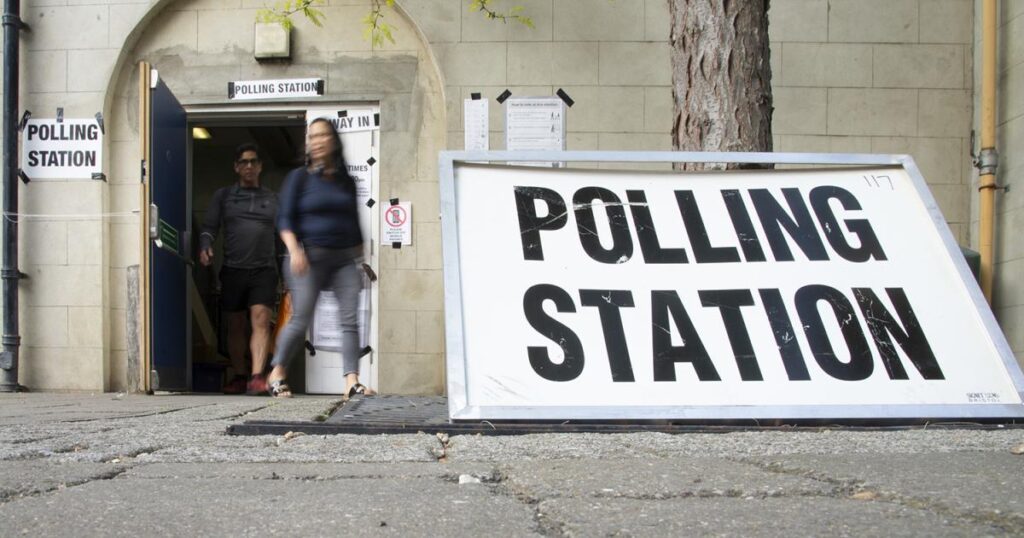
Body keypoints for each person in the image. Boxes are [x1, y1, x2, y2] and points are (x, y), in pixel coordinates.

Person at [266, 118, 376, 399]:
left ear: (333, 140)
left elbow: (354, 223)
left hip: (343, 260)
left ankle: (351, 381)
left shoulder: (345, 181)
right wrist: (295, 250)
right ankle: (277, 372)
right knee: (301, 317)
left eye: (322, 135)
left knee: (350, 319)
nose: (316, 141)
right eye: (312, 136)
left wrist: (360, 259)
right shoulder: (299, 178)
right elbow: (285, 219)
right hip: (307, 257)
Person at [199, 143, 279, 395]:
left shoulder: (272, 199)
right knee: (235, 325)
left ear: (260, 166)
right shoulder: (223, 196)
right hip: (233, 269)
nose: (249, 166)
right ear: (236, 167)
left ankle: (256, 377)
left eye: (254, 161)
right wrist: (205, 246)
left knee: (261, 320)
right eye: (244, 162)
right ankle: (240, 375)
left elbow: (282, 235)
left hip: (264, 269)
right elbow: (209, 227)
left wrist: (287, 270)